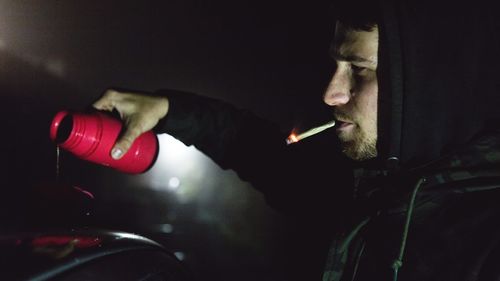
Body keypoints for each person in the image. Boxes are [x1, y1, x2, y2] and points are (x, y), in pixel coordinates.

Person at [91, 1, 500, 280]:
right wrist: (169, 108)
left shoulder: (484, 233)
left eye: (358, 69)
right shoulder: (370, 188)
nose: (331, 93)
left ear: (431, 84)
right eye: (335, 65)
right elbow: (262, 151)